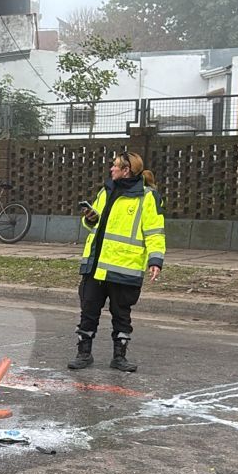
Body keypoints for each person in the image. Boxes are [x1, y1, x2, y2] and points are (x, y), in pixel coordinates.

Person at [68, 151, 165, 373]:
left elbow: (155, 233)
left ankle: (119, 357)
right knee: (88, 311)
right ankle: (84, 354)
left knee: (121, 314)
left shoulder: (147, 197)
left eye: (115, 166)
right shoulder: (106, 190)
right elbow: (94, 225)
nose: (111, 169)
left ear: (126, 170)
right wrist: (90, 219)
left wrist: (155, 260)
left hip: (125, 267)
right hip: (95, 265)